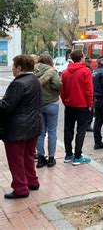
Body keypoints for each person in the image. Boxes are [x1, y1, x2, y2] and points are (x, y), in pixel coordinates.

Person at [0, 55, 42, 199]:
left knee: (16, 160)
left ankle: (20, 188)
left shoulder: (18, 84)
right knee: (28, 156)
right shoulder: (35, 80)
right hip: (33, 125)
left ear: (19, 68)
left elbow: (6, 107)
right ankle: (32, 181)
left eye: (13, 66)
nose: (12, 69)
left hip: (17, 128)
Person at [61, 50, 93, 166]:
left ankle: (68, 154)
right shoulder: (86, 71)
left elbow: (62, 91)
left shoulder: (65, 72)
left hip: (69, 105)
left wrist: (65, 102)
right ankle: (78, 156)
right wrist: (89, 104)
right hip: (82, 106)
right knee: (81, 130)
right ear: (81, 58)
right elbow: (89, 90)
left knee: (68, 129)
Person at [35, 53, 62, 168]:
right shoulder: (52, 71)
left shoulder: (34, 71)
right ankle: (51, 159)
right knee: (52, 132)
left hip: (39, 104)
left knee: (40, 133)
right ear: (50, 61)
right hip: (52, 103)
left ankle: (41, 159)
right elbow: (57, 84)